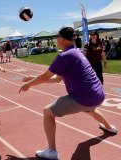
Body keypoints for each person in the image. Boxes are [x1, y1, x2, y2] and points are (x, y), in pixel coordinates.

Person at [19, 26, 117, 160]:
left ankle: (52, 151)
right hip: (98, 94)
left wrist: (28, 85)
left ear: (62, 39)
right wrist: (33, 79)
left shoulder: (64, 55)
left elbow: (45, 77)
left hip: (84, 97)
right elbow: (57, 79)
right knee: (90, 110)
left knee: (48, 113)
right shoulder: (76, 52)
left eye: (57, 37)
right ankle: (109, 127)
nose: (56, 39)